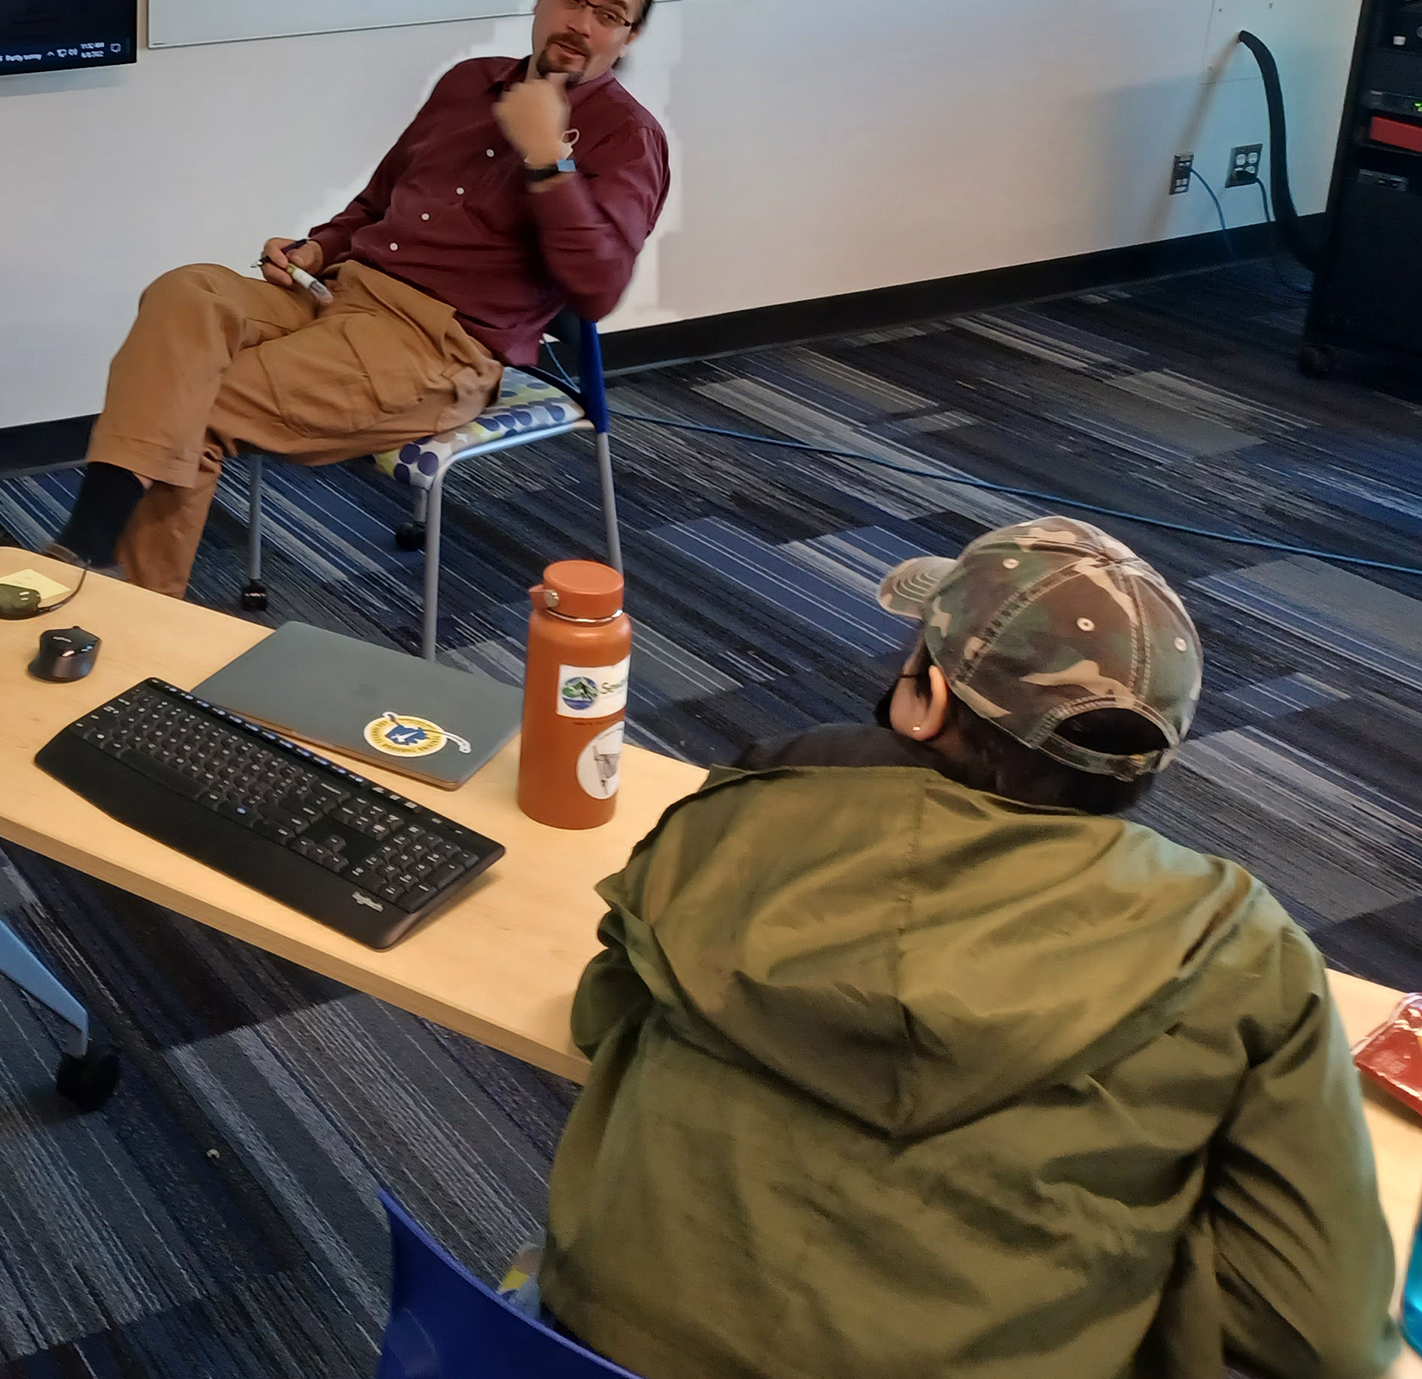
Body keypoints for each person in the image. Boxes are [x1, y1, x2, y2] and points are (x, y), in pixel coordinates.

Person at [535, 517, 1398, 1379]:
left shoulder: (731, 822)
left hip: (574, 1351)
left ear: (927, 699)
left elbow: (597, 1015)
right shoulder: (1238, 944)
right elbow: (1321, 1334)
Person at [50, 0, 670, 597]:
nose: (581, 22)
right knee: (185, 292)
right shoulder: (470, 83)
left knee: (191, 406)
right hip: (343, 289)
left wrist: (549, 157)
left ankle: (118, 607)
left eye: (609, 13)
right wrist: (319, 247)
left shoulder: (626, 137)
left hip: (439, 344)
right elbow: (377, 200)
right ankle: (89, 553)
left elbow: (598, 287)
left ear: (628, 37)